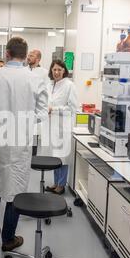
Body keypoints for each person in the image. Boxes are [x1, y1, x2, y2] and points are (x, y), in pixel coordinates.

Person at [0, 37, 48, 251]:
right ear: (25, 55)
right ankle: (8, 238)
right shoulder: (34, 79)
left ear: (7, 54)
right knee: (15, 190)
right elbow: (42, 112)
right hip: (20, 141)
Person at [44, 60, 78, 195]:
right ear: (51, 71)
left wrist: (54, 109)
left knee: (62, 157)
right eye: (54, 69)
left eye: (59, 69)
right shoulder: (50, 84)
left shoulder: (70, 85)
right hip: (51, 126)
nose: (56, 72)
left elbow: (72, 108)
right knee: (54, 156)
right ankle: (56, 183)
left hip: (63, 126)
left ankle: (61, 185)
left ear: (64, 71)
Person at [27, 49, 50, 155]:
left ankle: (33, 159)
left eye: (31, 56)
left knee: (34, 136)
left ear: (38, 59)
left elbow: (47, 91)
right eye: (28, 55)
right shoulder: (24, 70)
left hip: (36, 108)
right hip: (24, 107)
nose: (28, 57)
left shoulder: (44, 73)